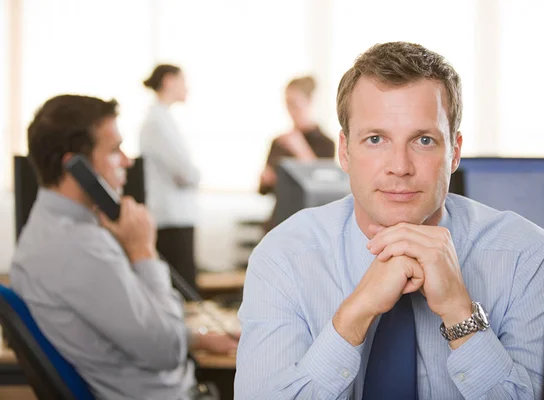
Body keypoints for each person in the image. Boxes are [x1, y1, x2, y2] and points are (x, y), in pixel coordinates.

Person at [235, 42, 544, 399]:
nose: (400, 166)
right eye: (375, 139)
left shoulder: (527, 256)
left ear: (455, 152)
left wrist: (458, 311)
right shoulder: (283, 256)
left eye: (423, 140)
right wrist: (354, 316)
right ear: (344, 151)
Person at [11, 94, 238, 400]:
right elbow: (165, 350)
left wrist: (196, 338)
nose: (128, 161)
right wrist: (143, 251)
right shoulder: (80, 247)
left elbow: (129, 333)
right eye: (115, 149)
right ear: (76, 167)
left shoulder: (48, 232)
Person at [139, 64, 201, 289]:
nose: (188, 87)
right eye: (183, 80)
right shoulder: (156, 122)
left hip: (176, 215)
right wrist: (195, 176)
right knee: (182, 287)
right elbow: (185, 172)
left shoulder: (164, 118)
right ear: (168, 81)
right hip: (170, 218)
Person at [259, 76, 336, 231]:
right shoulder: (279, 142)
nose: (290, 110)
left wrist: (300, 148)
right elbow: (263, 190)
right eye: (287, 104)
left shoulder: (326, 143)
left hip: (310, 224)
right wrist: (266, 180)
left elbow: (323, 186)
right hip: (279, 221)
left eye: (294, 103)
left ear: (309, 101)